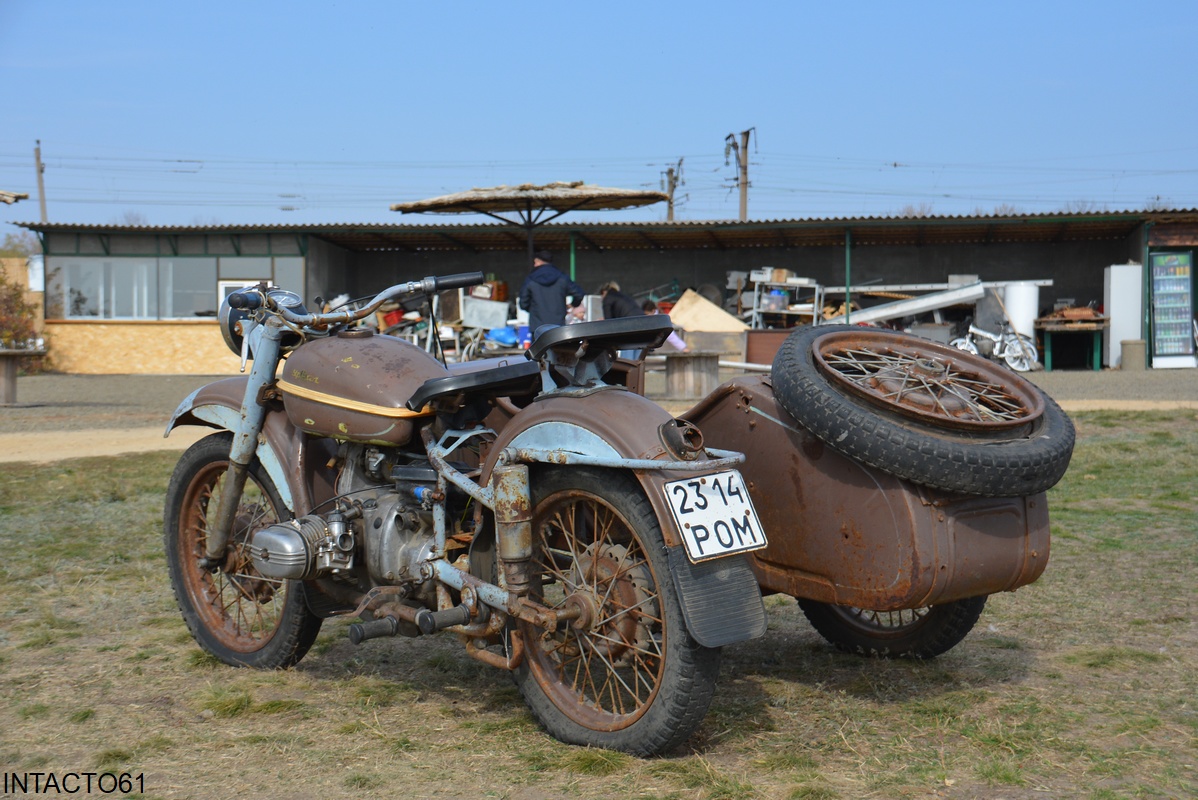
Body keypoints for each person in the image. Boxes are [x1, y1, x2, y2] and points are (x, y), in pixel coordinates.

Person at [518, 250, 585, 340]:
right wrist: (572, 305)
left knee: (538, 353)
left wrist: (534, 310)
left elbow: (523, 303)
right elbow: (579, 293)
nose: (534, 265)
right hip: (558, 327)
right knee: (559, 352)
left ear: (538, 261)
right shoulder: (562, 277)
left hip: (537, 327)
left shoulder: (531, 279)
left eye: (535, 262)